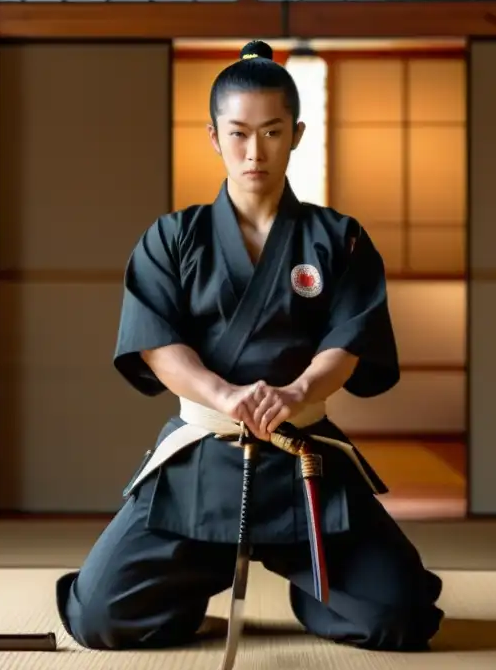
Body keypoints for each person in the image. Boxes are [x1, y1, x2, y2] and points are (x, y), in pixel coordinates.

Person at [54, 40, 445, 653]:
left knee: (399, 618)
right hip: (203, 458)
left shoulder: (337, 238)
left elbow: (349, 339)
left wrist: (297, 391)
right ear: (212, 135)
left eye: (271, 132)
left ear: (296, 133)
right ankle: (197, 573)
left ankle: (311, 585)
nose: (254, 151)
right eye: (237, 133)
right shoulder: (174, 237)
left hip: (305, 456)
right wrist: (226, 394)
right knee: (102, 617)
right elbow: (157, 342)